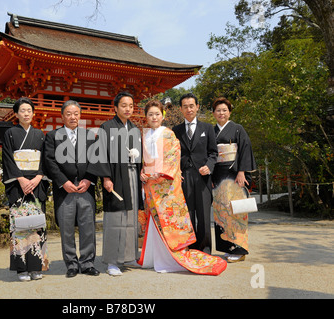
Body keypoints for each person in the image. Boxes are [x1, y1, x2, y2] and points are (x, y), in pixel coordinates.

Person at [138, 100, 226, 276]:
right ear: (145, 117)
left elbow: (173, 158)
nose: (154, 117)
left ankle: (171, 257)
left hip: (165, 184)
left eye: (157, 114)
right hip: (150, 184)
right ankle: (154, 256)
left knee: (178, 220)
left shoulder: (169, 134)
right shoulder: (144, 135)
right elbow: (144, 160)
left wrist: (160, 174)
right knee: (155, 221)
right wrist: (143, 172)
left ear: (162, 116)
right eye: (150, 114)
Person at [87, 91, 143, 276]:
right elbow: (101, 153)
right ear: (115, 108)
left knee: (131, 217)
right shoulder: (106, 127)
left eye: (131, 106)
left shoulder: (134, 128)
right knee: (115, 217)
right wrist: (106, 177)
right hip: (116, 177)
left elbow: (140, 155)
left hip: (132, 175)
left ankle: (129, 257)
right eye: (124, 105)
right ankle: (112, 261)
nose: (128, 109)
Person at [43, 100, 99, 278]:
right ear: (62, 116)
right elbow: (49, 161)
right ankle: (71, 264)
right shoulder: (53, 136)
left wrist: (89, 179)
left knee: (88, 226)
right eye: (69, 113)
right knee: (66, 228)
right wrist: (63, 181)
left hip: (85, 187)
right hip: (64, 188)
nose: (73, 117)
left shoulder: (89, 136)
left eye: (76, 113)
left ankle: (88, 262)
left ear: (80, 115)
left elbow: (95, 160)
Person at [2, 97, 49, 281]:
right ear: (16, 114)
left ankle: (37, 267)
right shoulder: (10, 134)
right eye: (22, 110)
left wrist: (38, 177)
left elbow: (45, 159)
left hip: (36, 185)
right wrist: (21, 179)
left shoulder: (40, 134)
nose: (26, 113)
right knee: (20, 227)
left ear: (33, 113)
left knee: (37, 227)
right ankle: (22, 269)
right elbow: (7, 158)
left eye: (29, 110)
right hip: (18, 185)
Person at [211, 97, 257, 263]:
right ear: (213, 113)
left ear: (229, 112)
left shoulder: (238, 129)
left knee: (236, 211)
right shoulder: (212, 131)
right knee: (221, 211)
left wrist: (242, 172)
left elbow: (245, 150)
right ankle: (226, 247)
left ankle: (239, 249)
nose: (221, 113)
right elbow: (210, 154)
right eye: (218, 110)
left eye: (224, 110)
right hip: (218, 174)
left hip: (234, 173)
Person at [172, 93, 218, 254]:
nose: (189, 109)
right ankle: (190, 248)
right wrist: (176, 171)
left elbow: (213, 153)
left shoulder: (207, 128)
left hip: (203, 176)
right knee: (188, 214)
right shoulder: (175, 130)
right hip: (184, 176)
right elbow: (172, 154)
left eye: (192, 106)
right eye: (185, 106)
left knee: (204, 215)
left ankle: (205, 249)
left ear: (197, 107)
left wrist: (209, 166)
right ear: (180, 109)